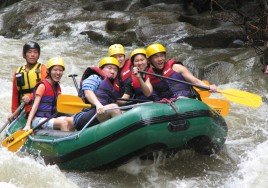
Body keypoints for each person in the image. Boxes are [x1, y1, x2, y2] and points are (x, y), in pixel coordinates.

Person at [67, 57, 123, 131]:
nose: (112, 71)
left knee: (118, 109)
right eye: (109, 68)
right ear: (102, 69)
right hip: (84, 115)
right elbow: (88, 91)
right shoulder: (95, 77)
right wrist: (98, 104)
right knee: (114, 108)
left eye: (115, 69)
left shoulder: (113, 86)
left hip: (101, 114)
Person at [145, 43, 217, 101]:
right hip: (167, 107)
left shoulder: (176, 67)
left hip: (185, 101)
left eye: (162, 56)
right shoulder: (149, 75)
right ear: (150, 60)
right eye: (156, 57)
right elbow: (148, 93)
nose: (160, 59)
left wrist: (208, 87)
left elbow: (195, 81)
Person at [23, 57, 70, 131]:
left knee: (72, 120)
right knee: (63, 123)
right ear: (48, 71)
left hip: (51, 117)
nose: (58, 73)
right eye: (55, 70)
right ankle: (67, 141)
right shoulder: (42, 86)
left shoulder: (57, 87)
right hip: (39, 120)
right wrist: (28, 124)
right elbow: (34, 106)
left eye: (60, 70)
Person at [8, 41, 47, 121]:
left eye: (35, 52)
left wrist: (30, 96)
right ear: (24, 55)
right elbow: (15, 95)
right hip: (24, 108)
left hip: (40, 107)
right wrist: (14, 112)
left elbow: (46, 88)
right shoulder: (18, 72)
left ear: (38, 55)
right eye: (29, 52)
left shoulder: (43, 69)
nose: (32, 55)